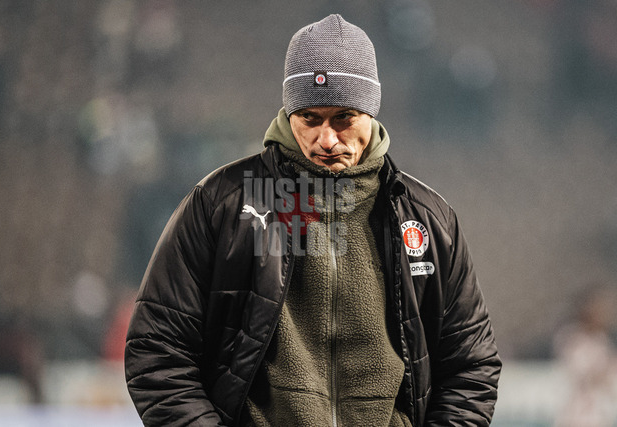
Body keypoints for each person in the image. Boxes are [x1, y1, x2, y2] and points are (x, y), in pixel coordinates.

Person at [125, 14, 501, 427]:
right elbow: (157, 350)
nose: (327, 139)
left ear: (372, 113)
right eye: (310, 118)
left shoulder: (428, 219)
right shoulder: (222, 204)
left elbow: (471, 366)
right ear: (289, 115)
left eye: (344, 118)